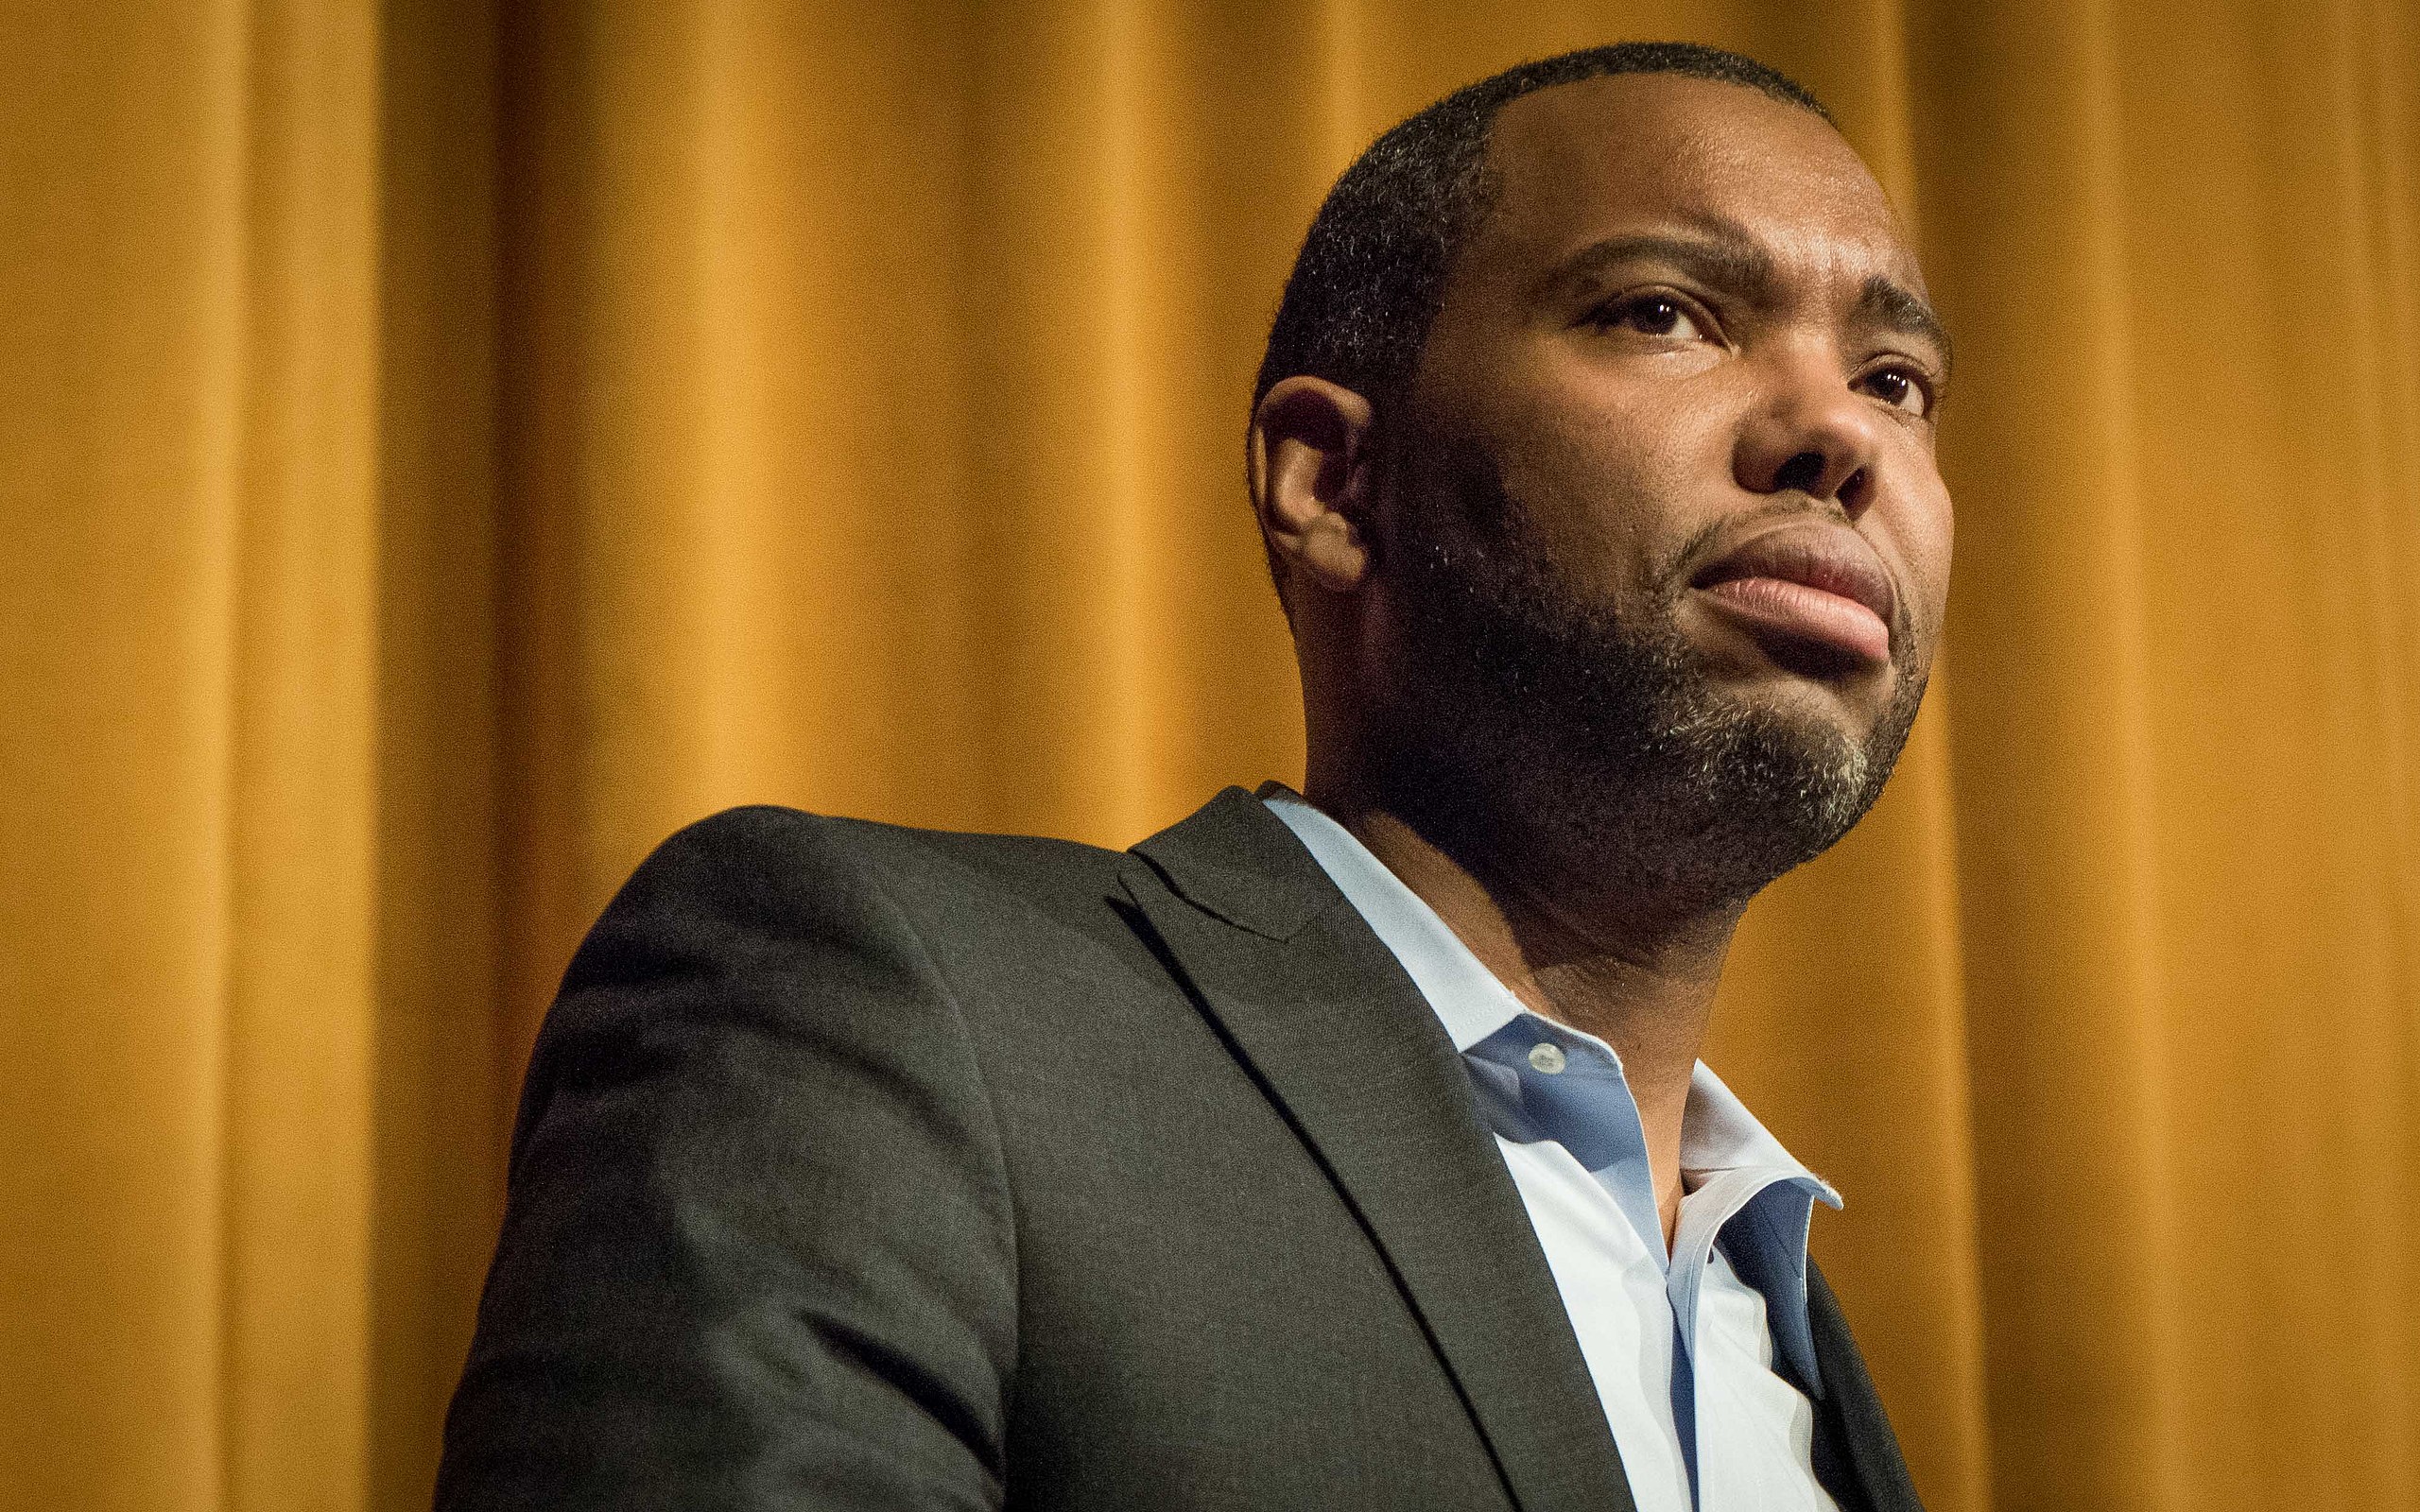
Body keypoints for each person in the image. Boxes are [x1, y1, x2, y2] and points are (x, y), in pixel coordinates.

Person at [437, 40, 1950, 1512]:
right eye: (1664, 313)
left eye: (1896, 380)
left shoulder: (1793, 1336)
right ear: (1333, 482)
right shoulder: (883, 1011)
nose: (1837, 433)